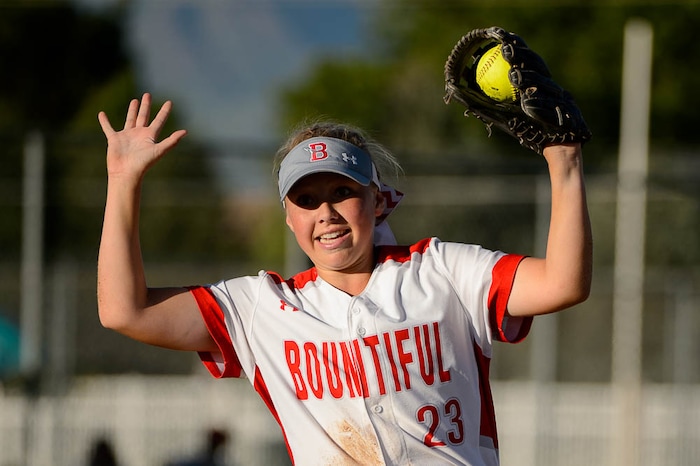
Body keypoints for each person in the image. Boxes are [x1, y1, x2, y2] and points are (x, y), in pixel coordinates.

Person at [97, 93, 592, 465]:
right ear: (289, 219)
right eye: (306, 200)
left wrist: (562, 160)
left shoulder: (443, 271)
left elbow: (563, 283)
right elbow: (125, 310)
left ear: (378, 201)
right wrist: (123, 182)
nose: (326, 212)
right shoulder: (262, 308)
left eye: (342, 190)